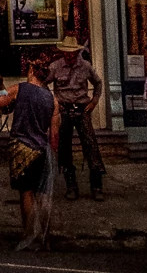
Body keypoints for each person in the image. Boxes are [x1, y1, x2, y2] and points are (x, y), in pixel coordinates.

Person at [0, 58, 58, 243]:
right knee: (43, 193)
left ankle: (29, 233)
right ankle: (45, 235)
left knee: (26, 192)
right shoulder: (53, 99)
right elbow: (54, 136)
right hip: (42, 149)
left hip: (21, 148)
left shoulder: (19, 89)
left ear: (31, 70)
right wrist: (52, 155)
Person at [45, 33, 105, 200]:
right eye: (67, 53)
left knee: (91, 145)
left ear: (77, 52)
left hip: (82, 109)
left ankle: (97, 186)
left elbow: (98, 83)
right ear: (63, 52)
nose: (70, 56)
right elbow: (43, 83)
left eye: (72, 53)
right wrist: (53, 103)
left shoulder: (85, 66)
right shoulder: (55, 67)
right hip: (63, 110)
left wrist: (94, 101)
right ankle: (71, 186)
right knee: (64, 149)